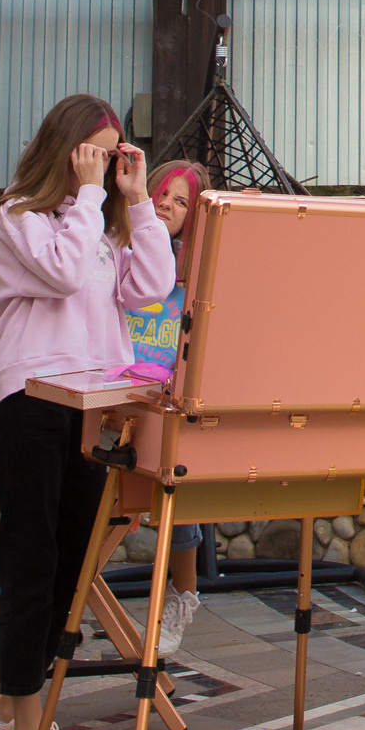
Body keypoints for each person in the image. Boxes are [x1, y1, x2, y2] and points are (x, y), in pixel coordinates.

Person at [0, 95, 173, 730]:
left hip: (92, 405)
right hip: (30, 398)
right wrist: (88, 196)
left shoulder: (103, 231)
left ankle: (7, 717)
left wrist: (137, 201)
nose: (107, 165)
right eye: (97, 151)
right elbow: (58, 273)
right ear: (65, 150)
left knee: (72, 570)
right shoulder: (20, 216)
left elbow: (153, 288)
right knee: (32, 562)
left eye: (115, 153)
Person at [131, 162, 205, 657]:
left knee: (178, 508)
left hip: (167, 400)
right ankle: (64, 597)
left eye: (182, 202)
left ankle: (182, 598)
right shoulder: (122, 247)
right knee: (106, 509)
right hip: (117, 393)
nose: (167, 205)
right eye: (164, 193)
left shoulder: (195, 271)